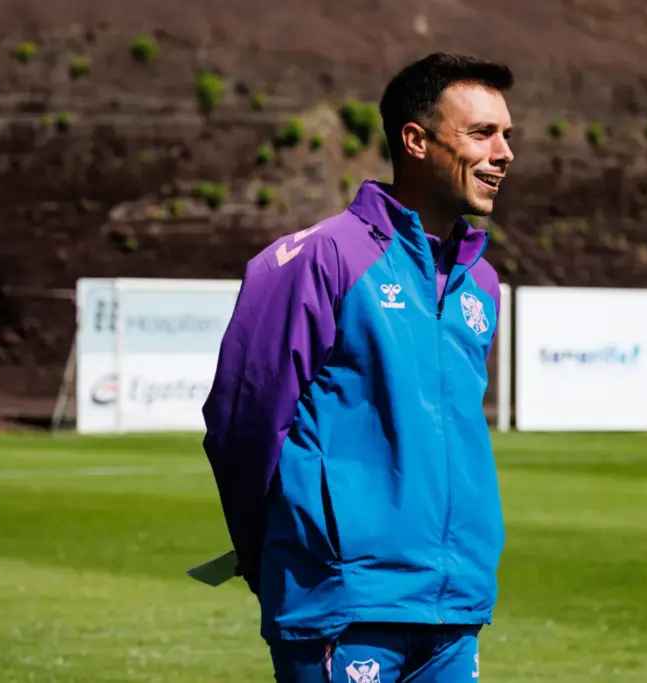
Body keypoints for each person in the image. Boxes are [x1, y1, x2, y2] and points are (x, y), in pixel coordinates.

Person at [202, 51, 516, 682]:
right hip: (342, 604)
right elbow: (244, 426)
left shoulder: (481, 282)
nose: (504, 152)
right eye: (482, 133)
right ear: (416, 141)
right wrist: (277, 557)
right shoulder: (318, 260)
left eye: (507, 134)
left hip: (455, 606)